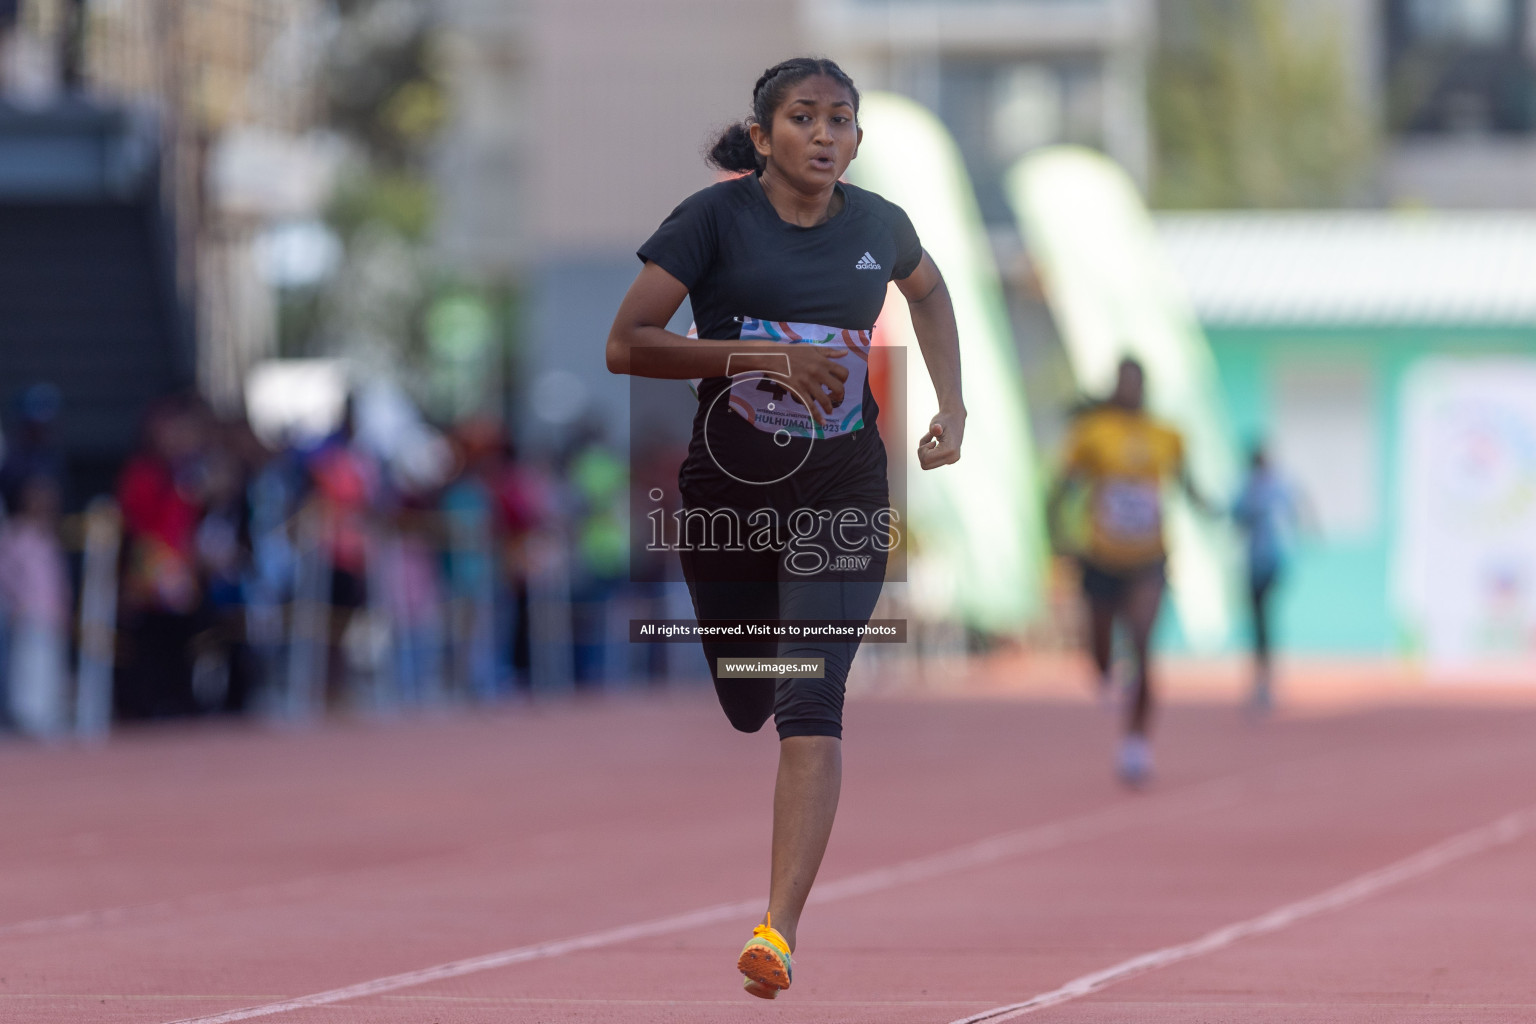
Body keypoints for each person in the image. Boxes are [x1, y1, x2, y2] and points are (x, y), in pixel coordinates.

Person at [606, 57, 964, 999]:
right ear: (762, 139)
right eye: (802, 118)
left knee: (811, 704)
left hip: (843, 488)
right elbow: (625, 342)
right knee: (747, 695)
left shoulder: (880, 226)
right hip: (730, 494)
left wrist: (952, 409)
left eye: (840, 120)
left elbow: (928, 292)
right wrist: (751, 355)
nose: (824, 134)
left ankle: (779, 929)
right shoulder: (711, 222)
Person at [1047, 357, 1210, 788]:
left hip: (1148, 560)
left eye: (1137, 382)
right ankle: (1105, 672)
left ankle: (1135, 743)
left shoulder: (1167, 437)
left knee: (1141, 642)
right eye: (1124, 382)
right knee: (1100, 653)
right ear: (1115, 387)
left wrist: (1212, 509)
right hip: (1100, 558)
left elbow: (1187, 487)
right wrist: (1060, 540)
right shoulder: (1092, 434)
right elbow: (1061, 491)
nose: (1130, 390)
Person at [1232, 442, 1303, 714]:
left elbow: (1295, 511)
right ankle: (1262, 679)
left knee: (1262, 620)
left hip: (1269, 562)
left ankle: (1265, 680)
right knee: (1260, 621)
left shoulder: (1268, 486)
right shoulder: (1255, 487)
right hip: (1257, 562)